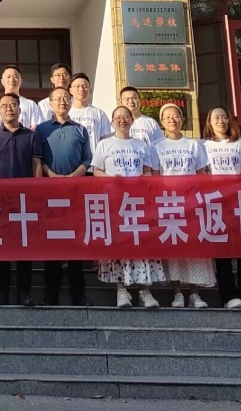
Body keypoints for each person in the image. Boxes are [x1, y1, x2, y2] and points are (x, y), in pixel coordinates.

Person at [92, 105, 165, 308]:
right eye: (118, 117)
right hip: (115, 202)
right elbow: (96, 171)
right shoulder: (104, 144)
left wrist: (141, 180)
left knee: (142, 244)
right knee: (119, 244)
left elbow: (148, 172)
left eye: (126, 117)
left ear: (132, 120)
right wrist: (111, 179)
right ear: (112, 121)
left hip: (138, 203)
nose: (122, 120)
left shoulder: (142, 145)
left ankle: (145, 290)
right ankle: (121, 290)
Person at [0, 92, 42, 307]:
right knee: (1, 248)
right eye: (4, 105)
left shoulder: (31, 136)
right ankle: (1, 291)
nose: (9, 109)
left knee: (24, 247)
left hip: (24, 201)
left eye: (13, 105)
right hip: (0, 200)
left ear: (19, 109)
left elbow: (36, 164)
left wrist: (36, 190)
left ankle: (24, 292)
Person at [35, 88, 92, 307]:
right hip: (50, 194)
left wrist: (71, 178)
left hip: (74, 193)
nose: (62, 102)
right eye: (58, 99)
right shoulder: (41, 129)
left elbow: (87, 159)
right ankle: (51, 295)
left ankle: (79, 295)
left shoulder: (80, 129)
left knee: (76, 245)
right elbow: (37, 158)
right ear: (50, 104)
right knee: (53, 245)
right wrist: (53, 176)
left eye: (66, 99)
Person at [153, 103, 213, 308]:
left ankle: (195, 293)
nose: (172, 120)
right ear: (162, 121)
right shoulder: (156, 146)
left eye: (176, 116)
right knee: (174, 248)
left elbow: (202, 173)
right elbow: (154, 177)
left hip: (191, 202)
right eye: (167, 117)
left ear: (182, 119)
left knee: (195, 246)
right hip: (168, 202)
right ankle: (177, 292)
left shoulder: (194, 145)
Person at [203, 106, 241, 309]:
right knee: (222, 248)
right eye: (216, 117)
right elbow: (202, 173)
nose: (220, 121)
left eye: (224, 117)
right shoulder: (203, 145)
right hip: (216, 201)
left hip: (239, 200)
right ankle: (229, 295)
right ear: (209, 122)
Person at [68, 73, 112, 153]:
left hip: (94, 159)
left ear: (90, 90)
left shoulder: (99, 113)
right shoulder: (66, 112)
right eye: (77, 86)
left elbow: (106, 140)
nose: (81, 89)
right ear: (71, 90)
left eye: (84, 86)